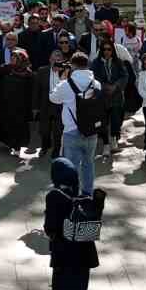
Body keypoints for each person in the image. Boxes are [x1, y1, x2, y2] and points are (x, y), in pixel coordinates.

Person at [45, 156, 105, 290]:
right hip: (84, 257)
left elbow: (50, 228)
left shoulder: (54, 197)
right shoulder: (85, 200)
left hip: (63, 258)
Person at [48, 53, 102, 195]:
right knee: (88, 164)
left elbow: (53, 98)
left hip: (71, 131)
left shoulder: (66, 84)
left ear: (73, 65)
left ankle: (71, 195)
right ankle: (87, 194)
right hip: (91, 131)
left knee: (71, 167)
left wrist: (62, 79)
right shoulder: (96, 84)